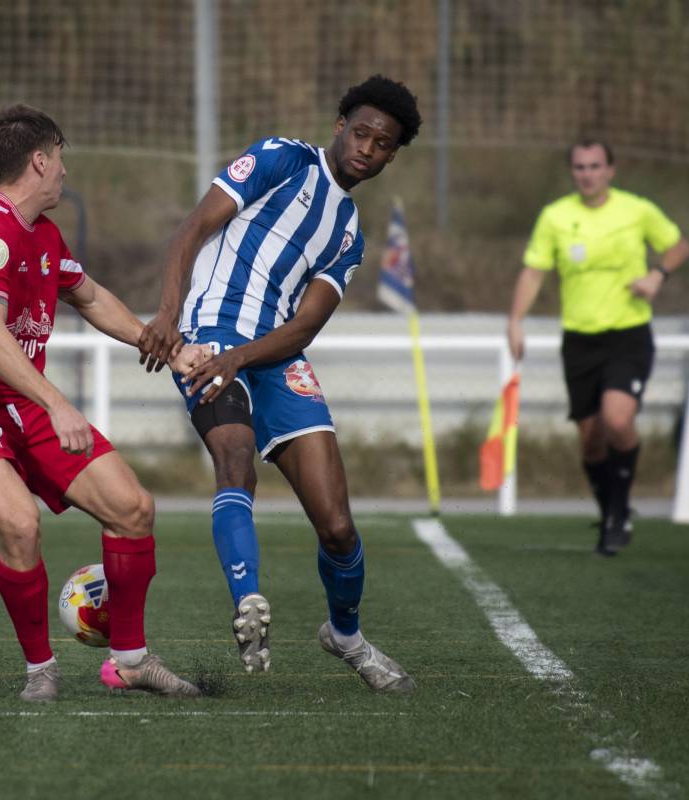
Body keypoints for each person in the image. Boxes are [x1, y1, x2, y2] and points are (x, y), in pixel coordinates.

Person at [0, 104, 208, 702]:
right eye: (61, 157)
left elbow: (88, 297)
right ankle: (40, 669)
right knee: (20, 524)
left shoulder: (42, 232)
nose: (66, 170)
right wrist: (58, 405)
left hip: (18, 396)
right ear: (39, 161)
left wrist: (168, 349)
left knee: (132, 508)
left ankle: (130, 661)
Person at [137, 75, 421, 694]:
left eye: (383, 143)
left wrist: (244, 358)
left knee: (337, 526)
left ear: (393, 156)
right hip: (209, 338)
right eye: (361, 132)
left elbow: (305, 326)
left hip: (272, 356)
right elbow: (192, 229)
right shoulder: (281, 158)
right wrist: (168, 316)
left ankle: (346, 636)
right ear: (340, 125)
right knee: (235, 458)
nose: (367, 148)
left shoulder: (348, 234)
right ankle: (248, 603)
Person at [507, 139, 689, 556]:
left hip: (628, 334)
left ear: (611, 169)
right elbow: (533, 272)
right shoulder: (556, 216)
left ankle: (619, 512)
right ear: (572, 172)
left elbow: (678, 246)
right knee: (591, 439)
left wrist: (657, 275)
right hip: (579, 340)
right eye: (579, 167)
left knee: (617, 420)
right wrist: (515, 320)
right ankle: (610, 511)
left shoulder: (636, 210)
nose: (587, 174)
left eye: (594, 166)